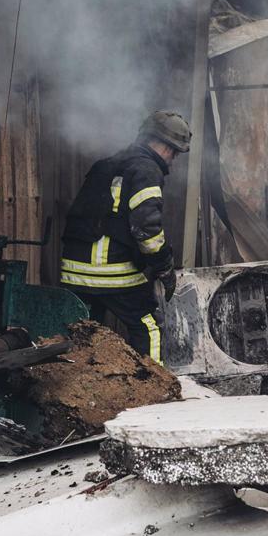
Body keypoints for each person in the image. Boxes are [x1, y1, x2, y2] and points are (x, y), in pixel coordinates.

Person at [59, 111, 191, 364]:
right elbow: (147, 229)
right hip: (110, 270)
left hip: (74, 272)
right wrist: (164, 266)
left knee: (82, 331)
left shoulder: (107, 164)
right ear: (161, 144)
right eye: (174, 151)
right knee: (148, 324)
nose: (173, 159)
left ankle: (83, 387)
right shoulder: (146, 169)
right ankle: (154, 389)